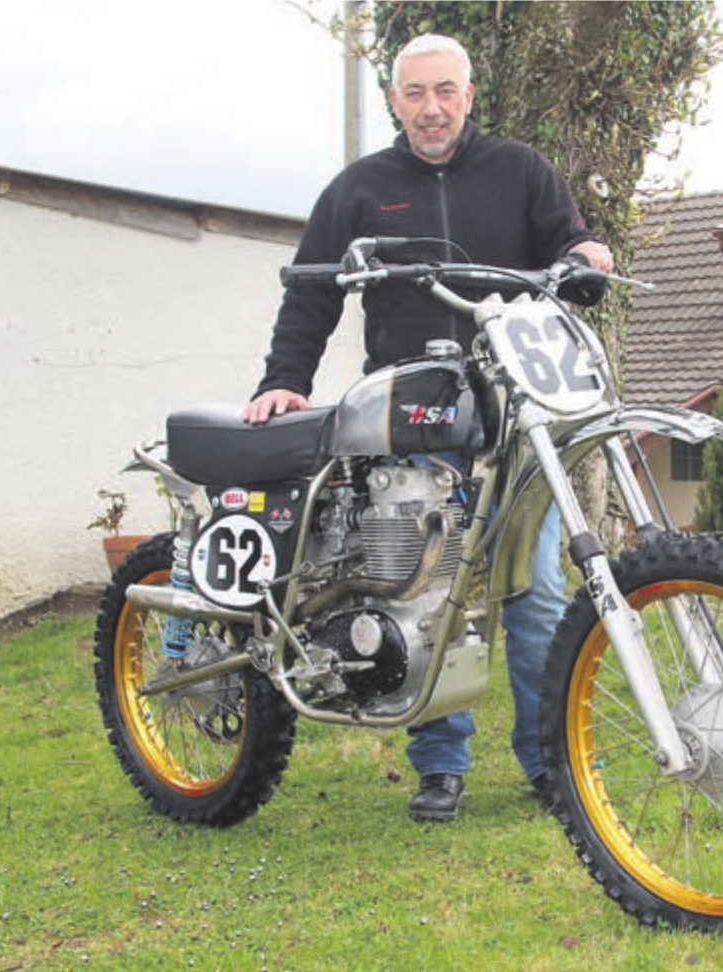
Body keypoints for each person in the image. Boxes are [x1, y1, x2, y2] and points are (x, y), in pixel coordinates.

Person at [242, 33, 612, 823]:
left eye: (445, 91)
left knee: (537, 592)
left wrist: (588, 252)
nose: (432, 108)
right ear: (395, 102)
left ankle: (552, 763)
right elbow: (312, 295)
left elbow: (569, 242)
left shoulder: (520, 170)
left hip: (515, 419)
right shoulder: (359, 189)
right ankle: (440, 765)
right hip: (413, 422)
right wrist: (283, 384)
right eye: (415, 93)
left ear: (468, 95)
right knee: (422, 593)